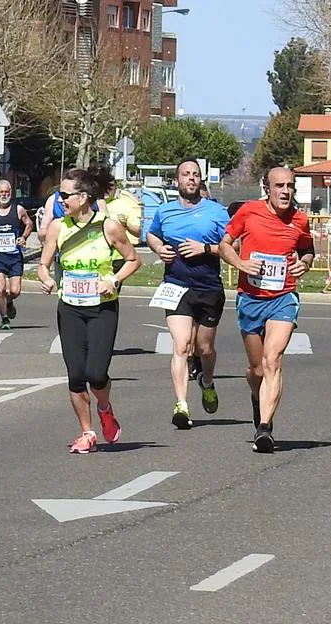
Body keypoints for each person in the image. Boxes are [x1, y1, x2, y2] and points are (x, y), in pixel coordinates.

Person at [37, 168, 141, 453]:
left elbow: (133, 260)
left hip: (102, 308)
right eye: (60, 195)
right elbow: (44, 264)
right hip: (69, 308)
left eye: (65, 195)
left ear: (83, 197)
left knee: (96, 374)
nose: (60, 200)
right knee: (75, 375)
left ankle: (105, 407)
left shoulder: (108, 226)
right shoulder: (59, 227)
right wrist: (46, 278)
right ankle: (87, 431)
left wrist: (114, 280)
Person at [218, 166, 315, 454]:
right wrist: (240, 264)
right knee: (257, 368)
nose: (286, 191)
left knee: (273, 359)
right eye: (280, 186)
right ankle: (256, 394)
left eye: (291, 186)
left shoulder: (300, 219)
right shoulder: (248, 212)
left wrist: (305, 263)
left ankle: (265, 428)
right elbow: (224, 245)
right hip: (250, 298)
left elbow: (307, 249)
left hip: (283, 297)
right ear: (268, 189)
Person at [145, 159, 230, 430]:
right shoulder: (165, 211)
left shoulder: (217, 212)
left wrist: (205, 249)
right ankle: (181, 404)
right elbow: (152, 235)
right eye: (186, 174)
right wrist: (159, 249)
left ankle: (206, 380)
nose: (191, 179)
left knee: (204, 348)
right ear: (177, 180)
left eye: (195, 175)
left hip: (209, 288)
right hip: (176, 285)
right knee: (181, 345)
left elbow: (232, 248)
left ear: (200, 180)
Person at [0, 179, 33, 329]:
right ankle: (4, 319)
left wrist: (24, 237)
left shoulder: (19, 210)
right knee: (0, 288)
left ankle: (9, 302)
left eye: (6, 192)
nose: (4, 195)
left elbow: (29, 223)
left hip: (14, 256)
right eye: (1, 192)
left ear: (10, 193)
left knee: (15, 291)